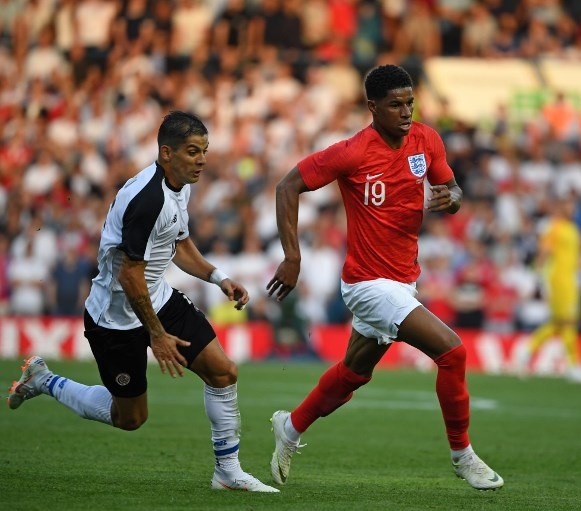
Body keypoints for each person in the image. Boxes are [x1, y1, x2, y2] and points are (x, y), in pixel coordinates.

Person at [7, 111, 279, 493]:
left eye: (204, 150)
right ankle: (45, 380)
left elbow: (178, 242)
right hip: (116, 317)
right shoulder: (147, 199)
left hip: (157, 297)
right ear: (167, 153)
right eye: (192, 151)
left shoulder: (179, 185)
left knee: (223, 372)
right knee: (130, 418)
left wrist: (218, 277)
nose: (201, 159)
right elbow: (129, 275)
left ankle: (228, 472)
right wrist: (157, 335)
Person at [265, 64, 504, 491]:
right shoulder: (353, 152)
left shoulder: (427, 140)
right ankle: (462, 455)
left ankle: (291, 427)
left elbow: (452, 192)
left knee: (354, 374)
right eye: (395, 105)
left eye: (410, 102)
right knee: (452, 353)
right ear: (372, 108)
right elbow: (287, 186)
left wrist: (451, 199)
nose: (406, 111)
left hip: (404, 279)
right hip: (367, 285)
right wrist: (292, 257)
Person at [516, 196, 581, 384]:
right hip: (559, 281)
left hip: (571, 280)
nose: (573, 208)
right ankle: (573, 366)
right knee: (569, 323)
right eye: (570, 204)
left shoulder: (573, 229)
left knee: (559, 324)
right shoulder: (554, 227)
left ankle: (527, 350)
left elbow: (573, 257)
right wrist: (536, 277)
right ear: (561, 207)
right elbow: (544, 252)